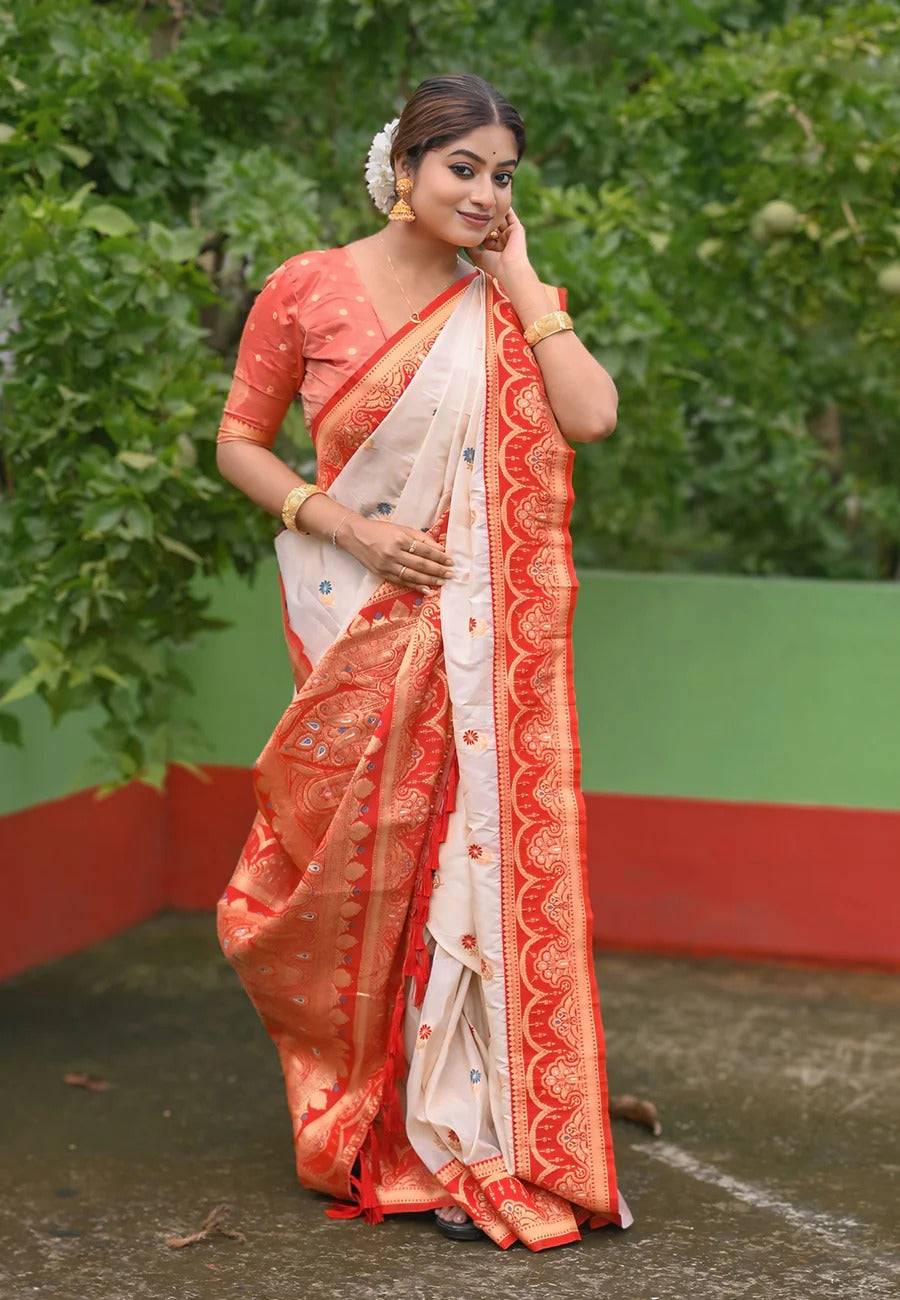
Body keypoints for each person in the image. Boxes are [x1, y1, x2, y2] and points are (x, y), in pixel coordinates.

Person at [215, 73, 631, 1250]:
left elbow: (589, 416)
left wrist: (517, 274)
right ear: (402, 168)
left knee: (470, 863)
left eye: (503, 175)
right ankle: (372, 1117)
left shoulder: (502, 299)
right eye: (463, 168)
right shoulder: (309, 289)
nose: (485, 192)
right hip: (359, 614)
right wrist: (343, 524)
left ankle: (470, 1136)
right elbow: (237, 443)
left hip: (482, 647)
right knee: (360, 872)